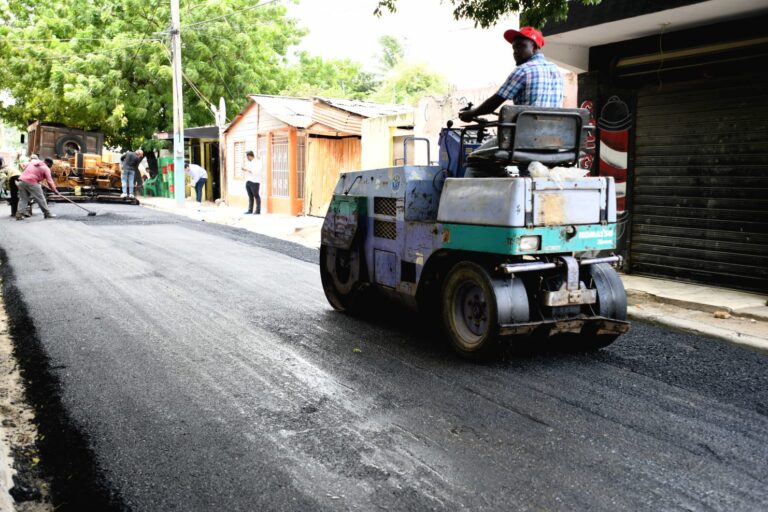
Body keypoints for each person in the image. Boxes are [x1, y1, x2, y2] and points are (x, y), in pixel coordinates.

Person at [458, 26, 563, 122]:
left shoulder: (524, 70)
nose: (515, 51)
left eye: (520, 46)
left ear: (534, 47)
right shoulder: (557, 70)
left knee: (486, 144)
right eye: (514, 48)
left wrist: (472, 113)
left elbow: (495, 102)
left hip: (525, 137)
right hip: (554, 137)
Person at [241, 150, 262, 214]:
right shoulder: (249, 163)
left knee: (256, 196)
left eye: (247, 157)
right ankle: (250, 210)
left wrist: (246, 169)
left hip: (255, 181)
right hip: (248, 181)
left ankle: (258, 210)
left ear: (250, 156)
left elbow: (255, 171)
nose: (247, 158)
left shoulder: (257, 162)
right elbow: (248, 170)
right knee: (250, 196)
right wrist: (245, 169)